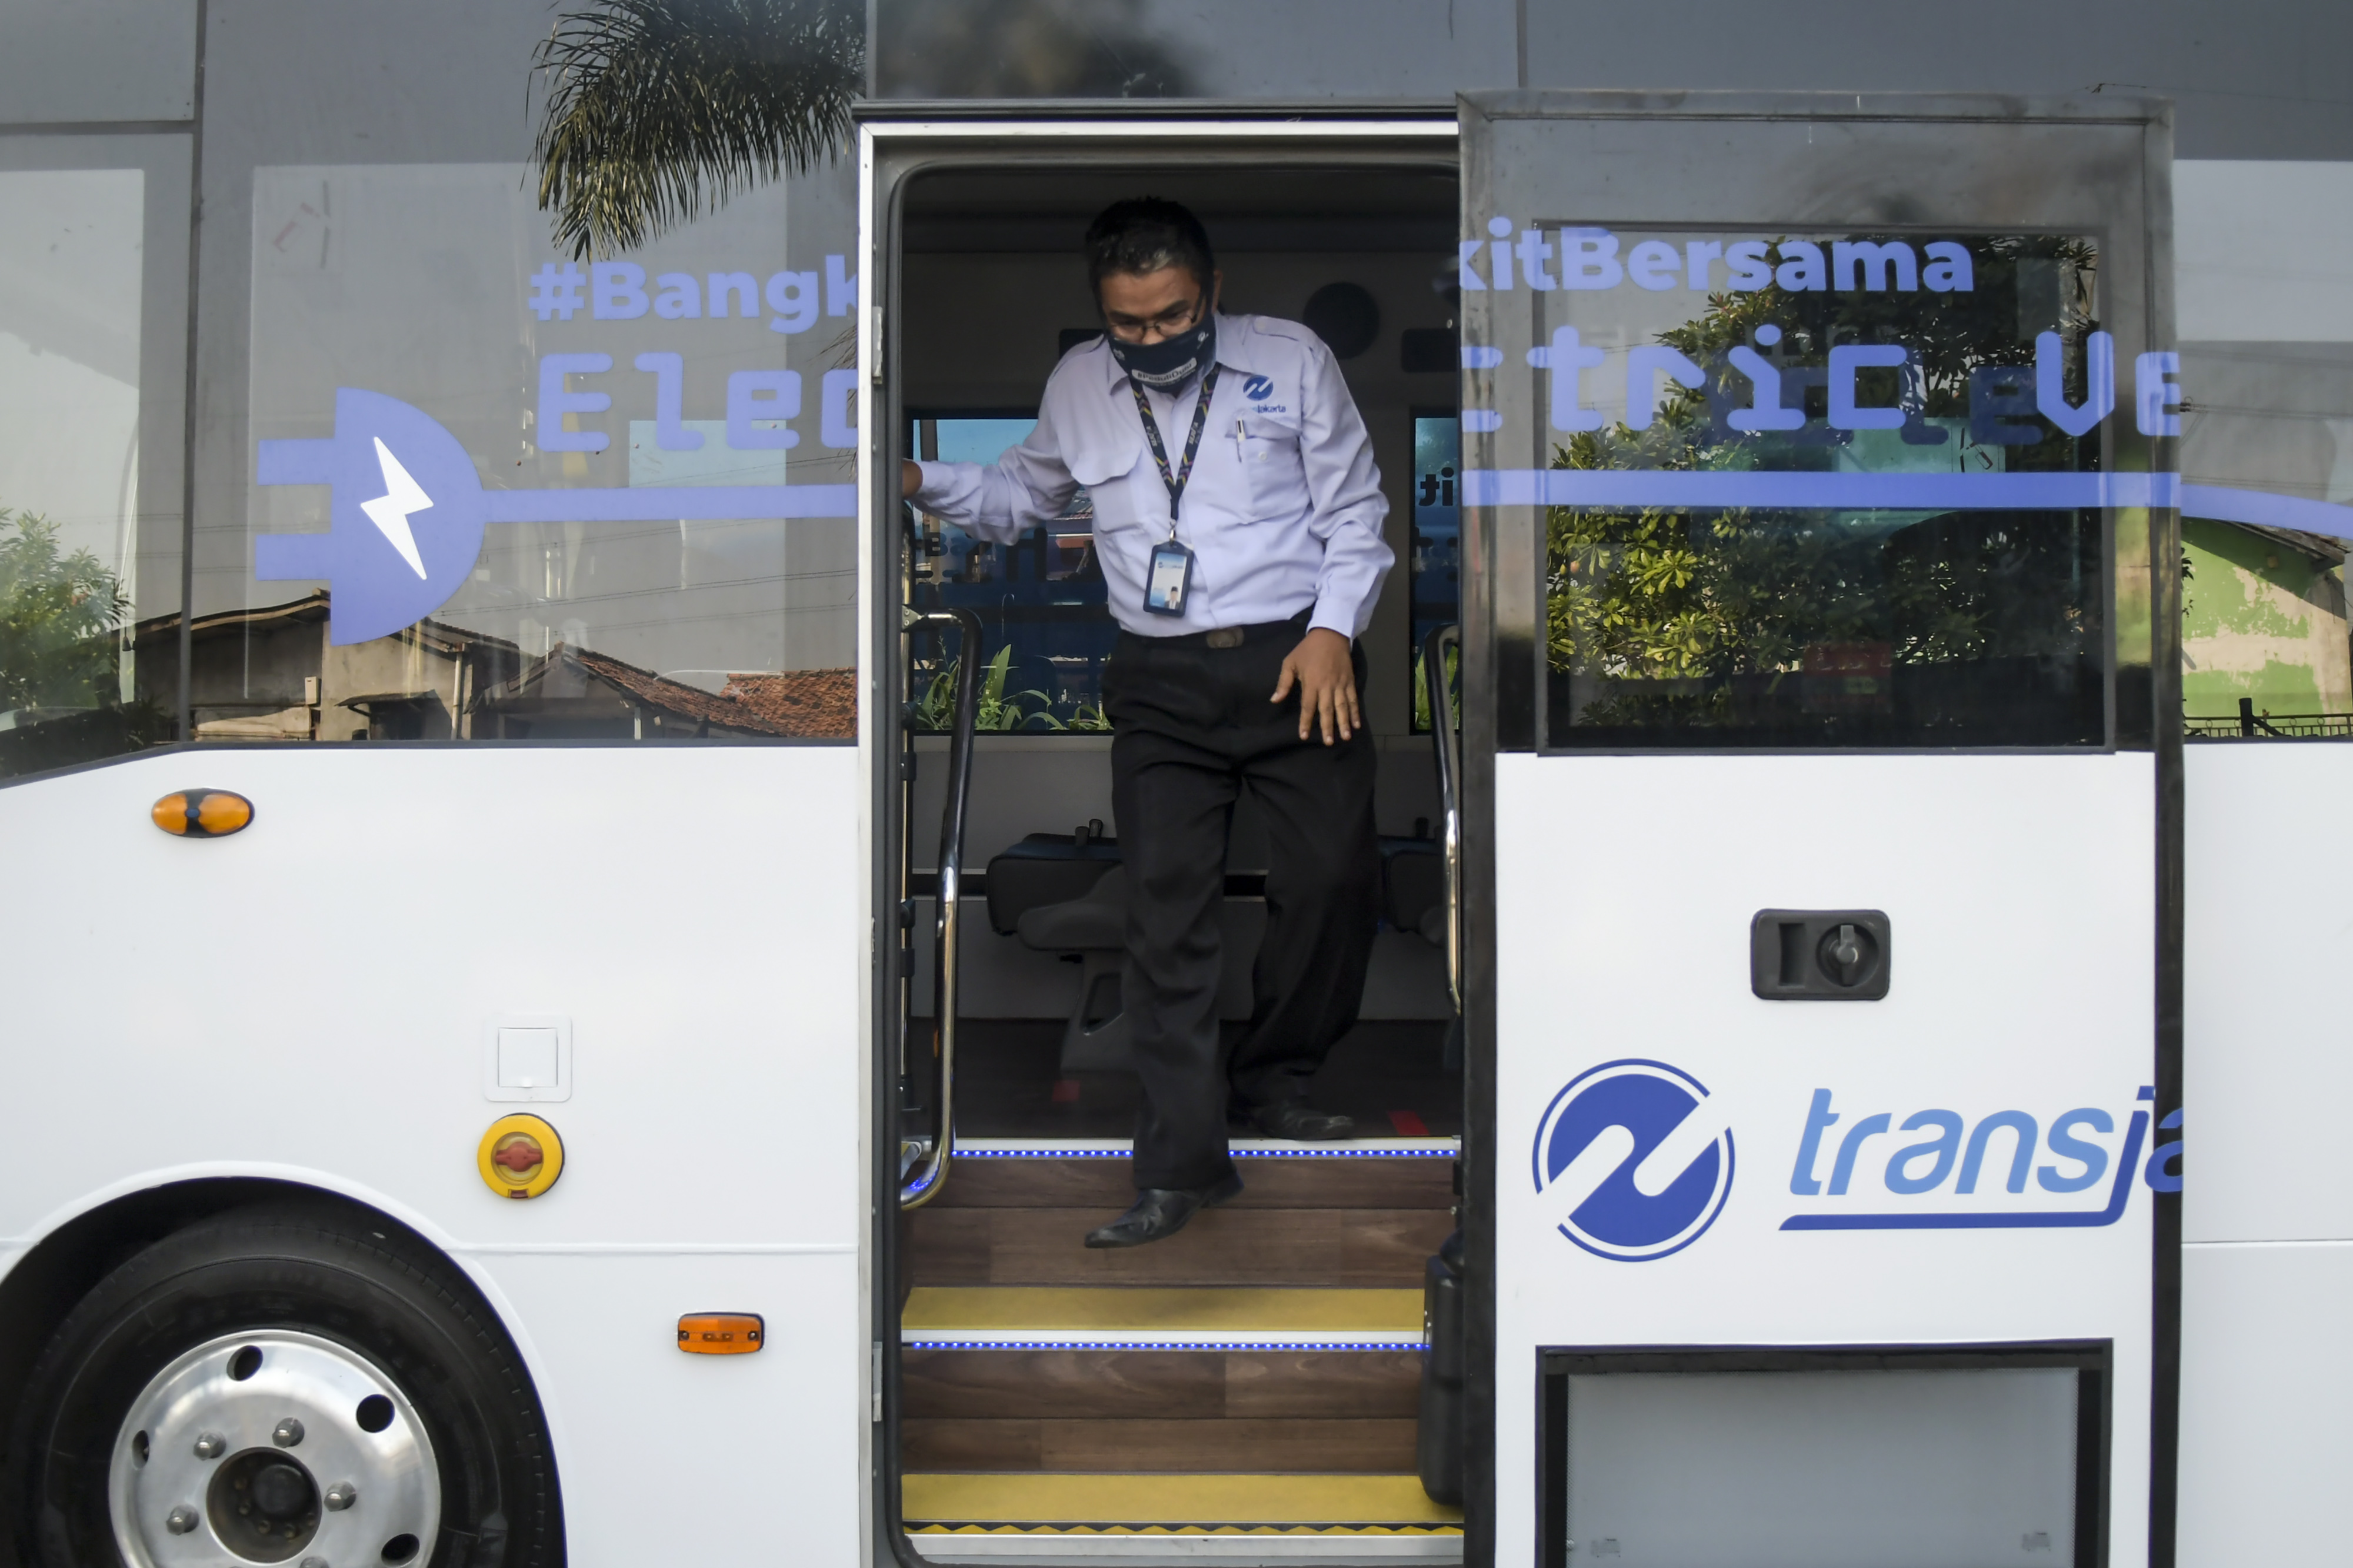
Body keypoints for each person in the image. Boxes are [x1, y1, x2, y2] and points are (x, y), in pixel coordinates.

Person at [903, 197, 1393, 1247]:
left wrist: (1334, 631)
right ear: (1103, 311)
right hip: (1161, 682)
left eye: (1172, 317)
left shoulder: (1294, 360)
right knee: (1166, 920)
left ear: (1210, 294)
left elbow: (1356, 514)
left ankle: (1276, 1076)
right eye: (1130, 323)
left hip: (1298, 659)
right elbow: (1013, 500)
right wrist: (912, 480)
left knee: (1337, 883)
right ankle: (1181, 1164)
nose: (1152, 339)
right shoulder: (1080, 383)